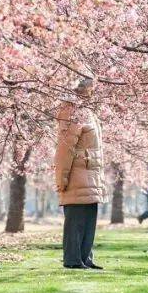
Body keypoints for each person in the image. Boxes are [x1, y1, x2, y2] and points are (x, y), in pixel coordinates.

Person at [55, 76, 105, 270]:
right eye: (91, 86)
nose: (94, 90)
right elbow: (65, 148)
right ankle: (73, 260)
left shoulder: (87, 111)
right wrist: (62, 177)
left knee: (89, 218)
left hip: (91, 175)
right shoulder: (71, 111)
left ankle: (85, 258)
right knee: (76, 219)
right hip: (77, 175)